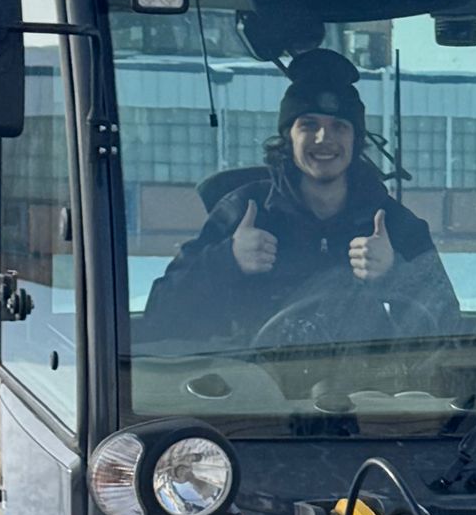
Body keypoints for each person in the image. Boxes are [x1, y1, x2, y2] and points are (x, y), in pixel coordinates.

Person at [139, 52, 459, 352]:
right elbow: (160, 317)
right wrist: (227, 260)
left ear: (355, 139)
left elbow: (450, 331)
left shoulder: (393, 224)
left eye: (339, 126)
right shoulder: (244, 211)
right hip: (255, 396)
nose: (324, 138)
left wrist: (395, 273)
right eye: (309, 125)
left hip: (369, 397)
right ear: (288, 136)